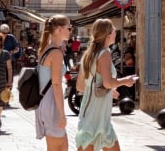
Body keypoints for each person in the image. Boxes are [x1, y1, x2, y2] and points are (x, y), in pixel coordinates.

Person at [75, 19, 137, 151]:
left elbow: (80, 86)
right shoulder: (105, 53)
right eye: (114, 29)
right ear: (107, 34)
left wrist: (108, 90)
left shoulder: (88, 54)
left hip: (89, 110)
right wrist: (126, 80)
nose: (116, 31)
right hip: (99, 112)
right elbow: (108, 82)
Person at [36, 14, 71, 151]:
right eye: (69, 27)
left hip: (46, 103)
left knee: (60, 146)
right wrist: (62, 114)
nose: (70, 30)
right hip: (51, 105)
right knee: (59, 147)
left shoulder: (47, 49)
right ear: (59, 29)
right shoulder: (55, 53)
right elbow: (56, 84)